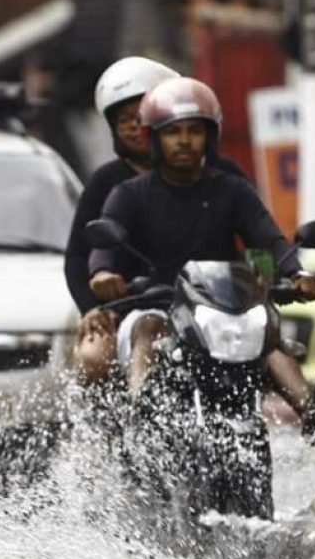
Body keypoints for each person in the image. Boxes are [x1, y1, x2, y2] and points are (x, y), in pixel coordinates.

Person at [86, 77, 315, 403]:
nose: (184, 141)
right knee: (147, 327)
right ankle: (140, 404)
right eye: (173, 132)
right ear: (154, 138)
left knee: (266, 335)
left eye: (194, 131)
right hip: (156, 307)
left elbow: (269, 239)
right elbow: (104, 242)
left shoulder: (233, 190)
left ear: (210, 137)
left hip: (224, 312)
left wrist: (296, 274)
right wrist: (103, 273)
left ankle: (311, 409)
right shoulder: (128, 194)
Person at [66, 58, 249, 385]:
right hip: (132, 307)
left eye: (143, 115)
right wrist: (93, 306)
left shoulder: (225, 177)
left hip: (216, 304)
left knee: (269, 344)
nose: (134, 126)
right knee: (94, 357)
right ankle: (131, 411)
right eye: (124, 120)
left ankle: (309, 404)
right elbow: (82, 256)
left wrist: (269, 279)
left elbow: (258, 239)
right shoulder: (109, 185)